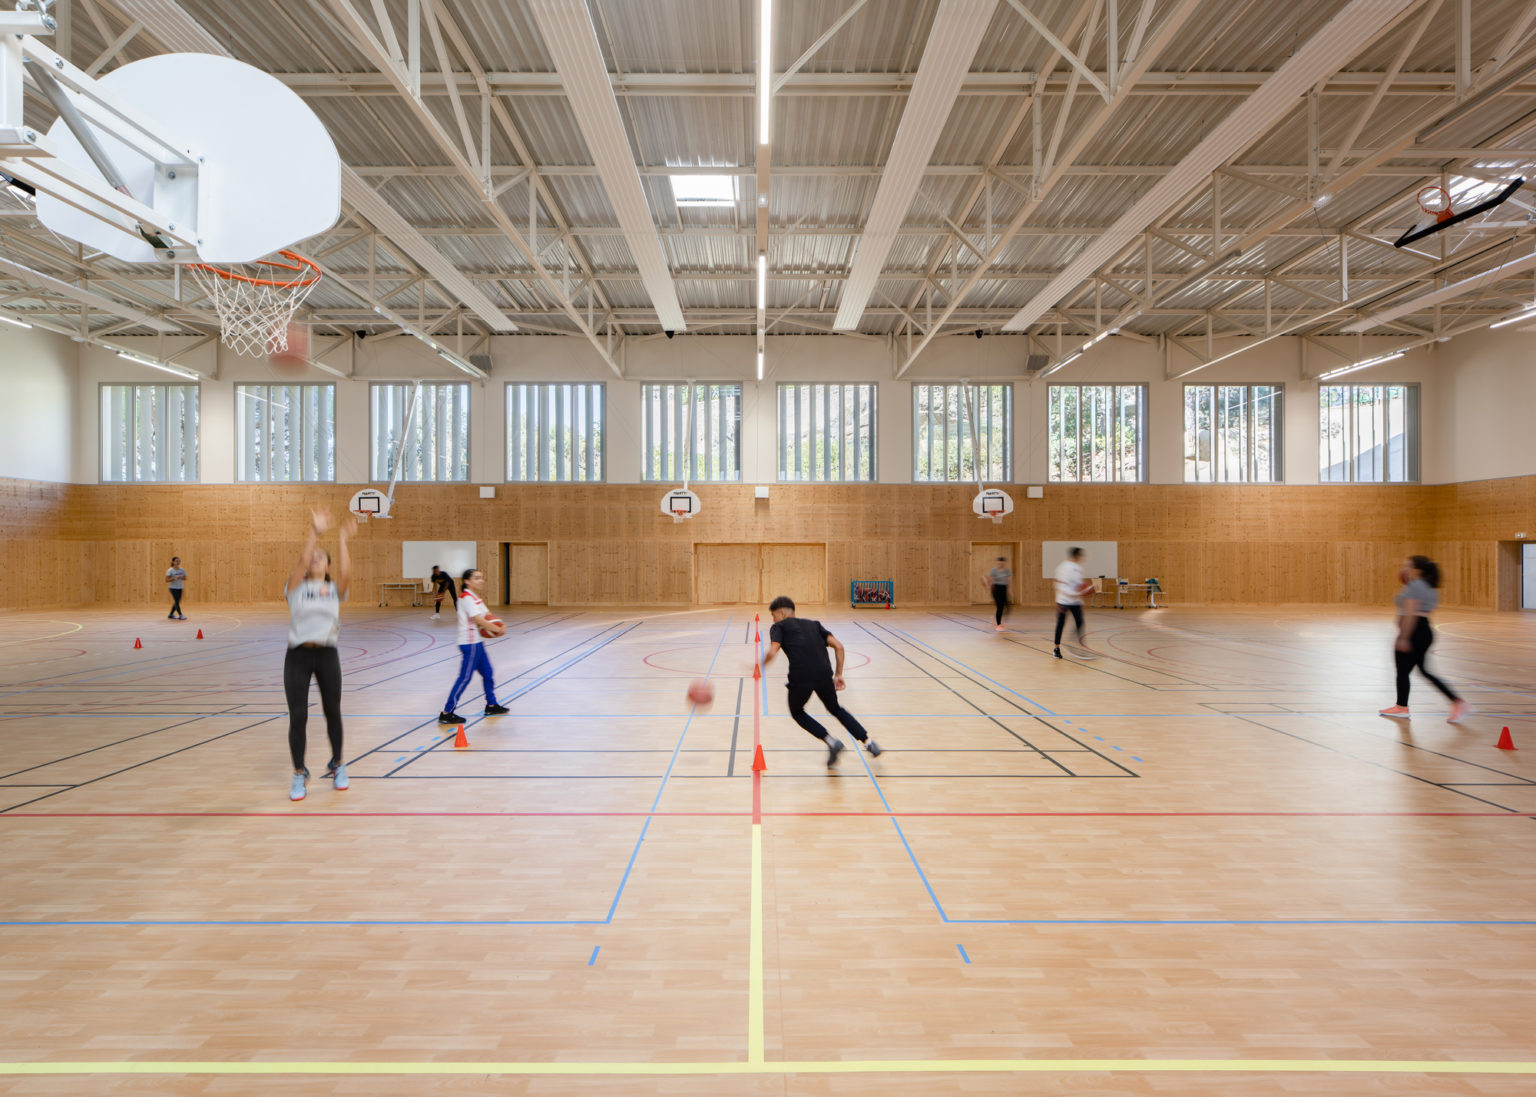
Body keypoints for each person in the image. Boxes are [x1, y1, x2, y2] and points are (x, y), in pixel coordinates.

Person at [283, 509, 353, 802]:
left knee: (332, 712)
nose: (315, 560)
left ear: (327, 567)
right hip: (298, 655)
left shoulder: (334, 589)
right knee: (298, 716)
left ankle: (338, 764)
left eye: (321, 558)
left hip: (327, 655)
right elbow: (301, 561)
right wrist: (315, 532)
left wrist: (341, 539)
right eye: (313, 557)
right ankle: (299, 773)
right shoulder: (295, 588)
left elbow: (347, 574)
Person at [761, 595, 881, 766]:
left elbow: (773, 651)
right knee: (835, 709)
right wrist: (838, 674)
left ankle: (831, 742)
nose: (772, 619)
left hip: (801, 676)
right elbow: (839, 646)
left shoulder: (778, 626)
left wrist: (758, 666)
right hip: (824, 673)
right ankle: (869, 742)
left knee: (797, 712)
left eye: (773, 615)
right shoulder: (814, 625)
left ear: (781, 612)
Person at [1379, 555, 1472, 723]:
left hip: (1414, 631)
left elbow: (1410, 614)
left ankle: (1401, 707)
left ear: (1418, 570)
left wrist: (1404, 637)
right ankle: (1458, 702)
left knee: (1402, 670)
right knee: (1423, 670)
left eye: (1408, 566)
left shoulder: (1415, 586)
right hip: (1425, 631)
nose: (1404, 569)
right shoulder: (1430, 587)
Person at [439, 568, 510, 725]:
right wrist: (497, 630)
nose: (481, 580)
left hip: (477, 643)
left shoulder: (475, 597)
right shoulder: (465, 598)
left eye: (481, 577)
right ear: (467, 581)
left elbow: (488, 615)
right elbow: (478, 620)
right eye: (477, 578)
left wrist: (501, 625)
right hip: (469, 644)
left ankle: (491, 705)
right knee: (464, 678)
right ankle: (447, 712)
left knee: (488, 673)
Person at [1052, 546, 1088, 659]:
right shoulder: (1063, 568)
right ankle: (1056, 648)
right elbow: (1059, 585)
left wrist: (1083, 592)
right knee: (1060, 624)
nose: (1082, 558)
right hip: (1064, 601)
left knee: (1080, 622)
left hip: (1076, 601)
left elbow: (1078, 585)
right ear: (1076, 556)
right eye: (1081, 555)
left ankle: (1077, 646)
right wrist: (1075, 594)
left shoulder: (1079, 568)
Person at [982, 556, 1012, 631]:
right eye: (999, 562)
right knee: (1000, 607)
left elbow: (1009, 581)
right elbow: (989, 580)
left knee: (1007, 607)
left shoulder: (1007, 571)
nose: (1000, 563)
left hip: (1004, 589)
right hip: (996, 589)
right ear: (997, 563)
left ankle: (995, 618)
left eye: (1002, 562)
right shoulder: (994, 571)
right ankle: (999, 625)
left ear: (1004, 563)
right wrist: (987, 586)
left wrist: (1011, 590)